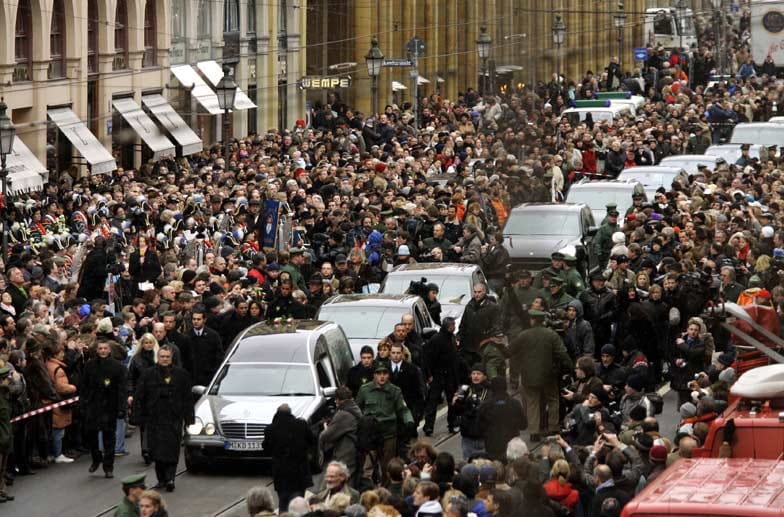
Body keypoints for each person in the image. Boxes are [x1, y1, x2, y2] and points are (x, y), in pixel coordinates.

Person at [131, 345, 194, 492]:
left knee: (172, 449)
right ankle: (161, 479)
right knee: (156, 450)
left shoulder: (181, 374)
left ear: (171, 358)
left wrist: (189, 419)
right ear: (157, 357)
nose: (165, 359)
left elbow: (187, 398)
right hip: (154, 418)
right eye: (162, 357)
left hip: (174, 418)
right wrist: (137, 416)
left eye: (167, 357)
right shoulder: (148, 374)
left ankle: (170, 478)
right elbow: (140, 396)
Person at [509, 309, 573, 442]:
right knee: (553, 399)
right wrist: (570, 368)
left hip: (528, 376)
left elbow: (510, 351)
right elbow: (562, 354)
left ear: (532, 320)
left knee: (533, 402)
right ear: (543, 320)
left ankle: (534, 431)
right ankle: (553, 428)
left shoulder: (523, 335)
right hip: (548, 375)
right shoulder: (552, 335)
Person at [356, 364, 415, 482]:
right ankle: (368, 491)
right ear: (374, 375)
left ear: (388, 375)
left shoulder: (394, 391)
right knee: (367, 467)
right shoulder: (365, 390)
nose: (382, 377)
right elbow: (358, 408)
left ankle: (386, 492)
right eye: (379, 374)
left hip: (388, 435)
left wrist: (409, 420)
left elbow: (403, 409)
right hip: (370, 435)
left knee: (387, 468)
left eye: (385, 374)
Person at [82, 340, 126, 479]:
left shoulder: (117, 367)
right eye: (100, 348)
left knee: (109, 437)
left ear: (109, 350)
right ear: (96, 350)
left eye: (105, 348)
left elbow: (121, 389)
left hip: (109, 406)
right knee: (92, 435)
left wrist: (121, 408)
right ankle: (96, 459)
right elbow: (84, 386)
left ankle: (108, 466)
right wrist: (83, 403)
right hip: (93, 405)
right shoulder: (89, 366)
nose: (102, 351)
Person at [263, 404, 315, 512]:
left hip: (281, 473)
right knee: (298, 502)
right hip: (299, 472)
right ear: (290, 412)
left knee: (283, 501)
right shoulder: (301, 425)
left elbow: (266, 448)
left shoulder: (270, 429)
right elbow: (312, 440)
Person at [423, 317, 460, 435]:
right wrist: (428, 375)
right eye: (450, 325)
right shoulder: (436, 339)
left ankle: (452, 423)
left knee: (452, 401)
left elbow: (455, 358)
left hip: (450, 375)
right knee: (432, 401)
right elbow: (427, 359)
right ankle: (428, 426)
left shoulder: (452, 339)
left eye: (453, 325)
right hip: (437, 375)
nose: (452, 327)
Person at [319, 387, 361, 483]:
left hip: (346, 454)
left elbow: (326, 436)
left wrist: (326, 428)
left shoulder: (343, 414)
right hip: (355, 452)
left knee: (344, 483)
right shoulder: (355, 408)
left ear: (338, 400)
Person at [478, 377, 525, 461]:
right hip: (511, 445)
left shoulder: (485, 406)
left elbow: (479, 427)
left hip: (492, 446)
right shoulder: (515, 403)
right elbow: (523, 425)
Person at [457, 282, 502, 371]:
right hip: (468, 348)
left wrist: (487, 340)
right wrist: (459, 338)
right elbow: (463, 325)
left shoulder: (492, 308)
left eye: (479, 292)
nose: (477, 294)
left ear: (484, 292)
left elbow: (496, 328)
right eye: (475, 292)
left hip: (483, 348)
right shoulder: (469, 306)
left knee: (482, 371)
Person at [452, 364, 490, 459]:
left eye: (478, 373)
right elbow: (456, 411)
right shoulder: (465, 389)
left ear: (485, 376)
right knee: (468, 464)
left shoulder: (490, 391)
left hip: (484, 436)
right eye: (473, 373)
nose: (475, 376)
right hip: (468, 436)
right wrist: (456, 402)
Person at [182, 305, 224, 387]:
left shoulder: (213, 336)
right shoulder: (186, 336)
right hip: (192, 377)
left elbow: (219, 356)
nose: (196, 321)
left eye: (198, 319)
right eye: (194, 319)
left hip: (208, 377)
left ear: (204, 320)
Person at [0, 366, 14, 503]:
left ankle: (2, 491)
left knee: (2, 468)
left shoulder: (5, 395)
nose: (9, 381)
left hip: (6, 436)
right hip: (1, 437)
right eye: (6, 379)